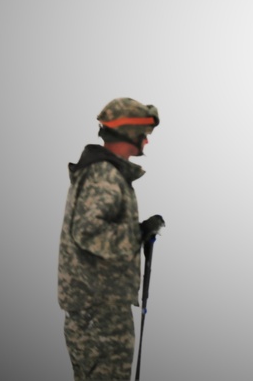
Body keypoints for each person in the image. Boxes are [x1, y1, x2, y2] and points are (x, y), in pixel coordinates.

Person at [58, 97, 165, 381]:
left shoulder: (106, 173)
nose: (147, 141)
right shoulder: (104, 175)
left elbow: (98, 230)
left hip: (99, 306)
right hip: (99, 310)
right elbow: (88, 232)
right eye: (144, 134)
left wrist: (137, 232)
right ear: (129, 133)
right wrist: (136, 234)